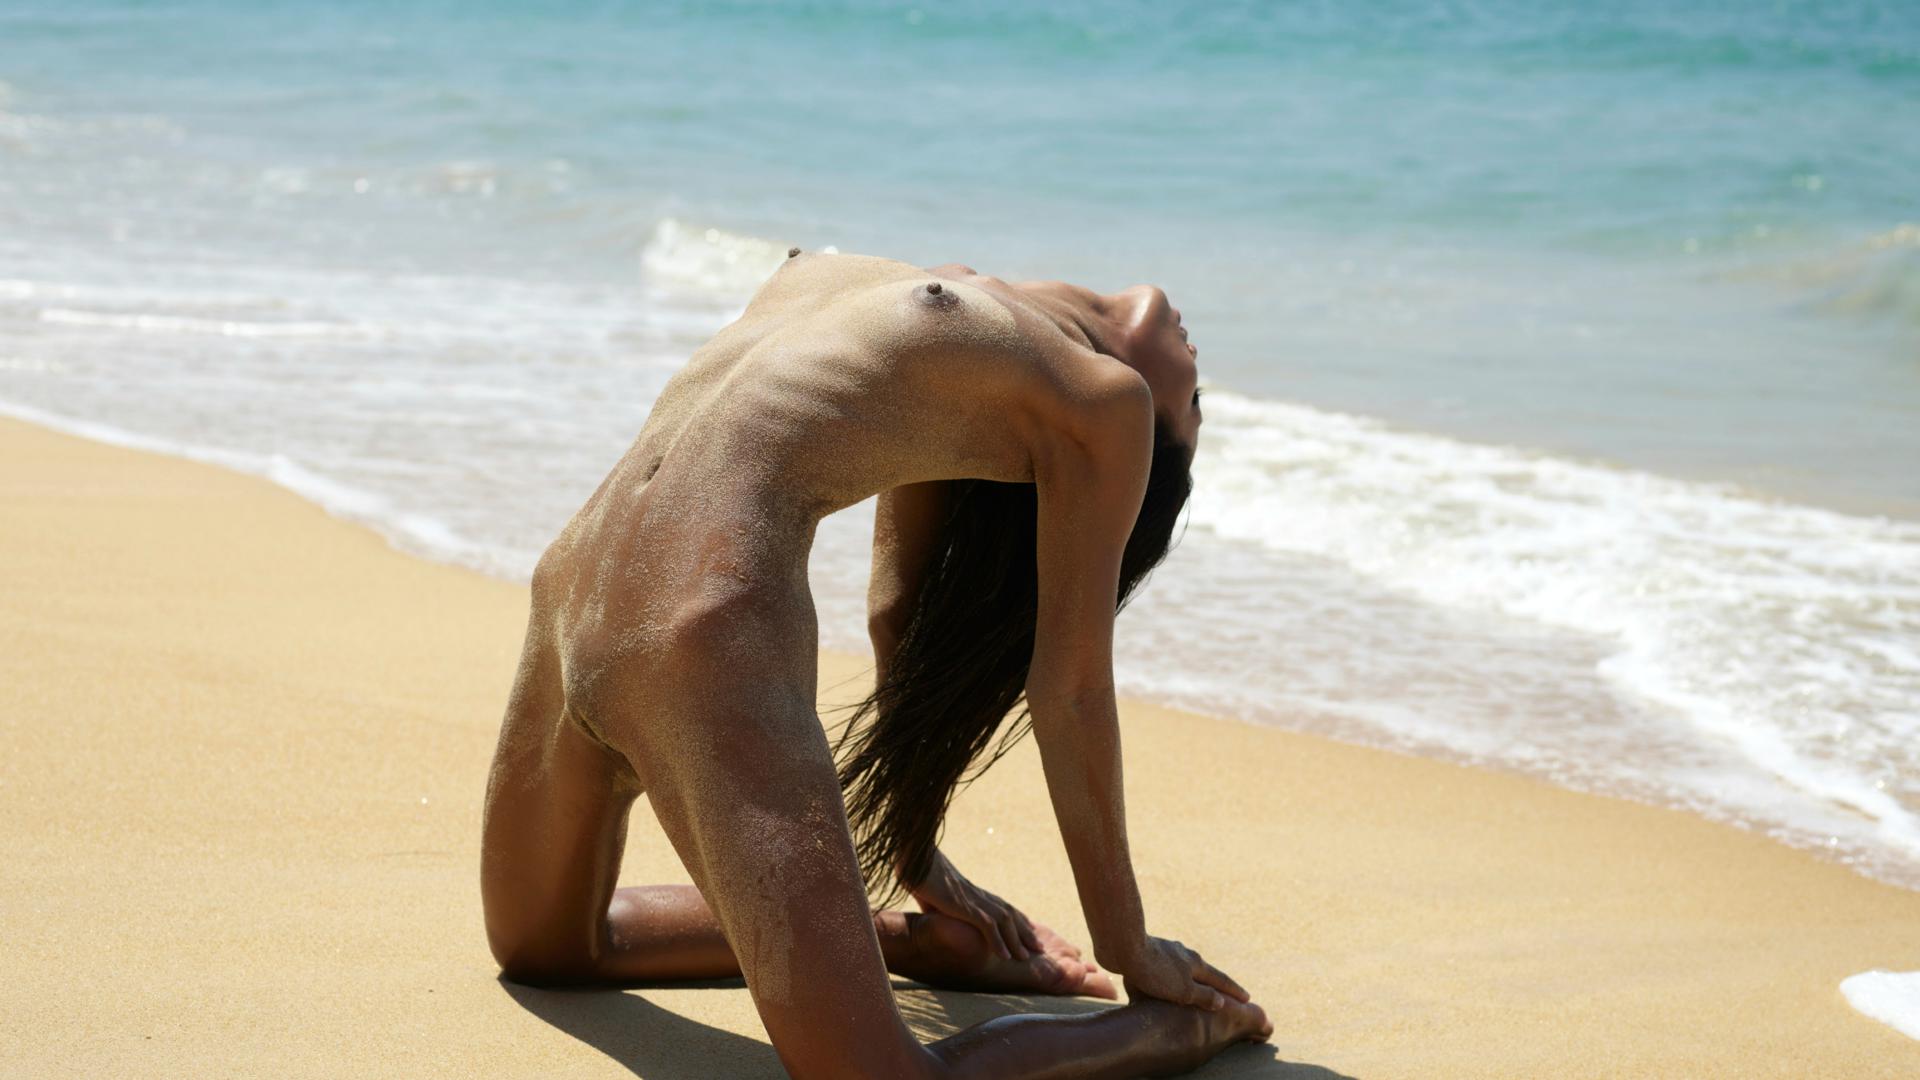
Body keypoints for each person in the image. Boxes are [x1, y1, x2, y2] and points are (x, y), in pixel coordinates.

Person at [481, 251, 1272, 1078]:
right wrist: (936, 862)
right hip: (579, 597)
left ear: (1152, 433)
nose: (1196, 369)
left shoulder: (1102, 402)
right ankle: (883, 943)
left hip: (683, 626)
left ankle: (1181, 1030)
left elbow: (1034, 678)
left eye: (1195, 409)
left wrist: (1113, 941)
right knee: (544, 948)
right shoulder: (954, 306)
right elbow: (915, 623)